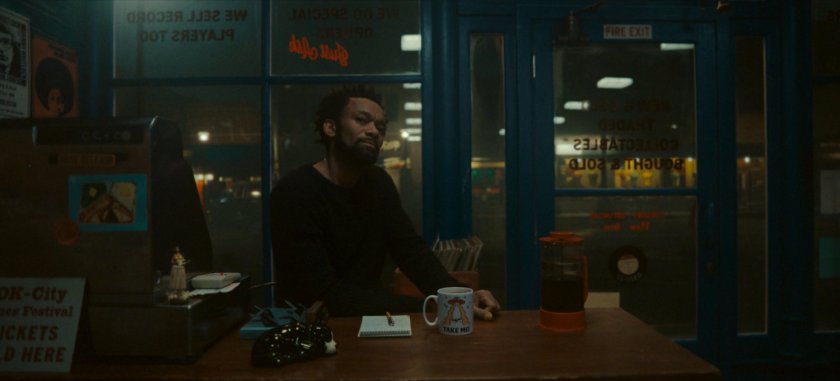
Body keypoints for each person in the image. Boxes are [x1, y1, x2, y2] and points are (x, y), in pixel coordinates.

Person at [271, 85, 500, 319]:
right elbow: (321, 290)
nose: (373, 131)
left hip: (369, 323)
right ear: (330, 128)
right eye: (362, 120)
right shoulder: (294, 192)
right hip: (307, 329)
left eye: (380, 127)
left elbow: (410, 251)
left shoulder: (377, 183)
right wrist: (428, 306)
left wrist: (462, 295)